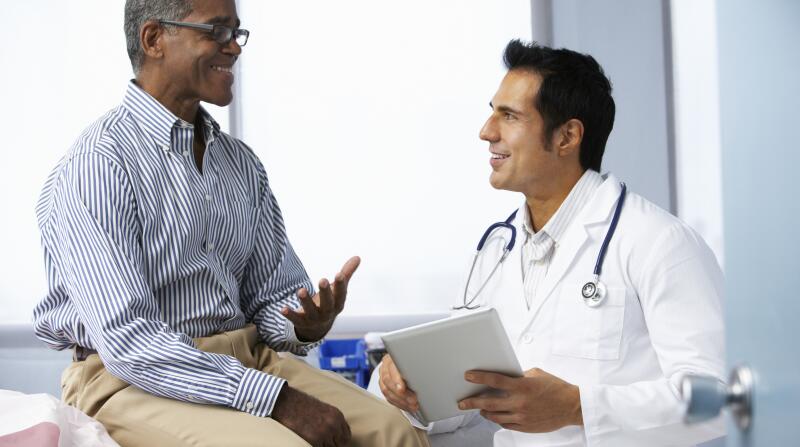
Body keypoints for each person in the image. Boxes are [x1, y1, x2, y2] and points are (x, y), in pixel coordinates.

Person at [31, 1, 429, 446]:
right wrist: (276, 400)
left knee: (394, 431)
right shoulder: (98, 165)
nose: (235, 49)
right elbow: (130, 342)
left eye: (237, 33)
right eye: (217, 32)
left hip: (247, 359)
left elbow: (270, 297)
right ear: (153, 39)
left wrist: (303, 326)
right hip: (129, 378)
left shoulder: (239, 164)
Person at [376, 40, 726, 446]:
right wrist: (411, 388)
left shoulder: (659, 243)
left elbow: (717, 399)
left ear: (567, 137)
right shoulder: (496, 251)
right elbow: (466, 397)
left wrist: (578, 407)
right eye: (492, 113)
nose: (486, 132)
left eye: (509, 116)